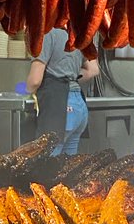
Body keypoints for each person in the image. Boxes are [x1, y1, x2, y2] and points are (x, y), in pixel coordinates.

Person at [27, 27, 100, 156]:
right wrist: (69, 75)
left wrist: (26, 91)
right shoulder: (79, 32)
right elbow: (93, 70)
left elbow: (35, 81)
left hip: (59, 106)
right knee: (68, 167)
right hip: (78, 106)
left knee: (47, 165)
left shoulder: (45, 33)